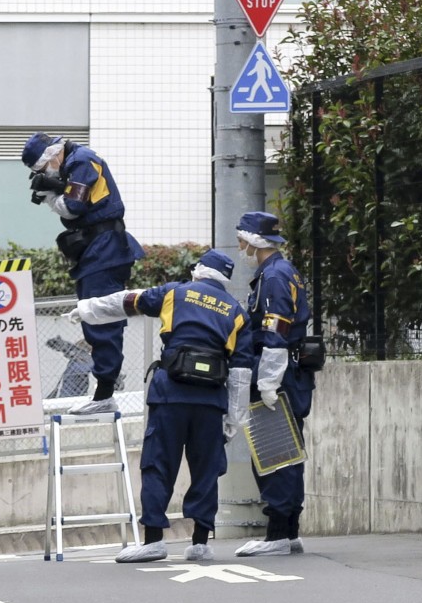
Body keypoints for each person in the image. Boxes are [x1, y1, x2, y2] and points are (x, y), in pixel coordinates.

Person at [64, 249, 254, 562]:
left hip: (171, 395)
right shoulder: (236, 312)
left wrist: (86, 310)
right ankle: (200, 543)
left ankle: (153, 540)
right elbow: (240, 372)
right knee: (206, 470)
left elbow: (127, 301)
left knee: (158, 465)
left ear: (198, 271)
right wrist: (234, 419)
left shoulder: (175, 294)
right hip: (210, 401)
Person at [22, 132, 145, 415]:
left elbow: (72, 207)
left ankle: (104, 394)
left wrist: (51, 193)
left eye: (43, 169)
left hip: (105, 250)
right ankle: (103, 392)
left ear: (51, 155)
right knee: (95, 318)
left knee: (102, 318)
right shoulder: (74, 162)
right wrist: (55, 189)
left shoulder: (82, 160)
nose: (45, 173)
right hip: (97, 250)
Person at [233, 211, 315, 557]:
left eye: (242, 239)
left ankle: (278, 534)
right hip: (290, 373)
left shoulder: (275, 277)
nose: (239, 245)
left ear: (253, 241)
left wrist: (267, 382)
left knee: (274, 453)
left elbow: (275, 333)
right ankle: (288, 531)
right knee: (287, 453)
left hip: (279, 374)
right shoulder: (281, 271)